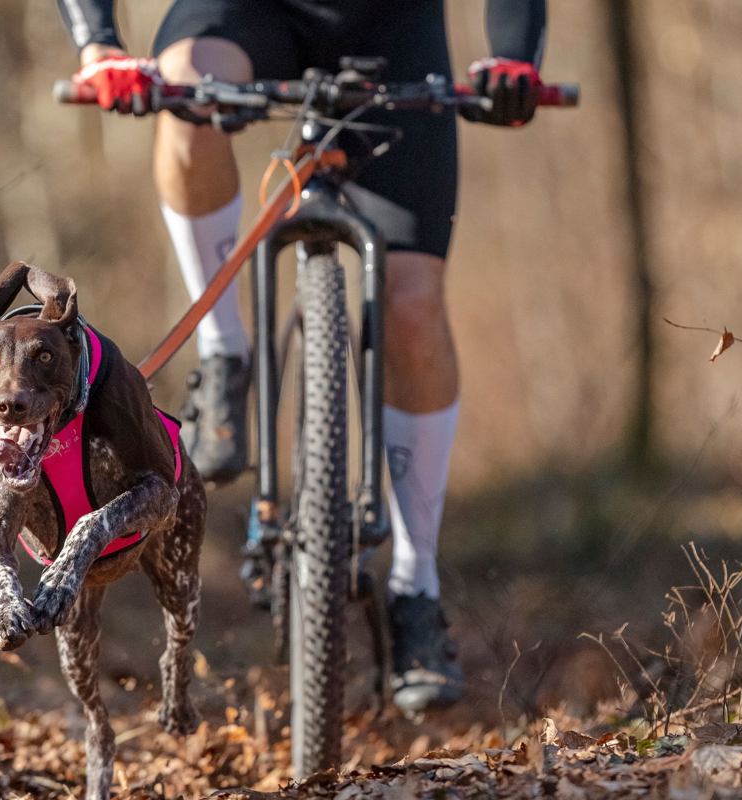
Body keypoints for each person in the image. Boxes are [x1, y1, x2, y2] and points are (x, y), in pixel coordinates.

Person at [56, 0, 547, 714]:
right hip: (244, 14)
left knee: (412, 306)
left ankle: (417, 585)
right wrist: (98, 43)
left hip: (393, 30)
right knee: (184, 94)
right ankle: (226, 356)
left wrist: (515, 53)